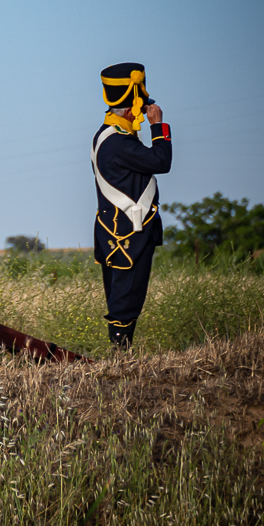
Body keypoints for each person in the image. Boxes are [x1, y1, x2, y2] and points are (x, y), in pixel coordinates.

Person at [93, 63, 172, 349]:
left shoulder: (110, 136)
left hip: (116, 231)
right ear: (129, 110)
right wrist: (157, 125)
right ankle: (121, 358)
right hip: (128, 233)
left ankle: (121, 355)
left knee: (125, 297)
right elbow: (161, 162)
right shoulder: (119, 143)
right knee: (127, 299)